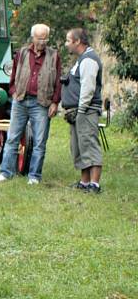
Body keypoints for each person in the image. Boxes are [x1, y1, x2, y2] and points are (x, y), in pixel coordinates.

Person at [0, 23, 61, 185]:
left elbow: (58, 81)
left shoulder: (54, 56)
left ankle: (34, 177)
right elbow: (13, 74)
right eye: (39, 38)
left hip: (42, 103)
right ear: (33, 37)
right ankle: (5, 173)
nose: (42, 42)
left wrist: (55, 103)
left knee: (39, 142)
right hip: (21, 101)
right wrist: (14, 92)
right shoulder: (22, 53)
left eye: (45, 38)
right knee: (12, 138)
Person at [62, 28, 104, 193]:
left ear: (77, 41)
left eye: (68, 41)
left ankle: (94, 185)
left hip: (86, 111)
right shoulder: (82, 59)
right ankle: (85, 183)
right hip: (79, 111)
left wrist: (81, 110)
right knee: (79, 147)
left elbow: (88, 88)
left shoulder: (89, 60)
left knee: (89, 145)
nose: (66, 44)